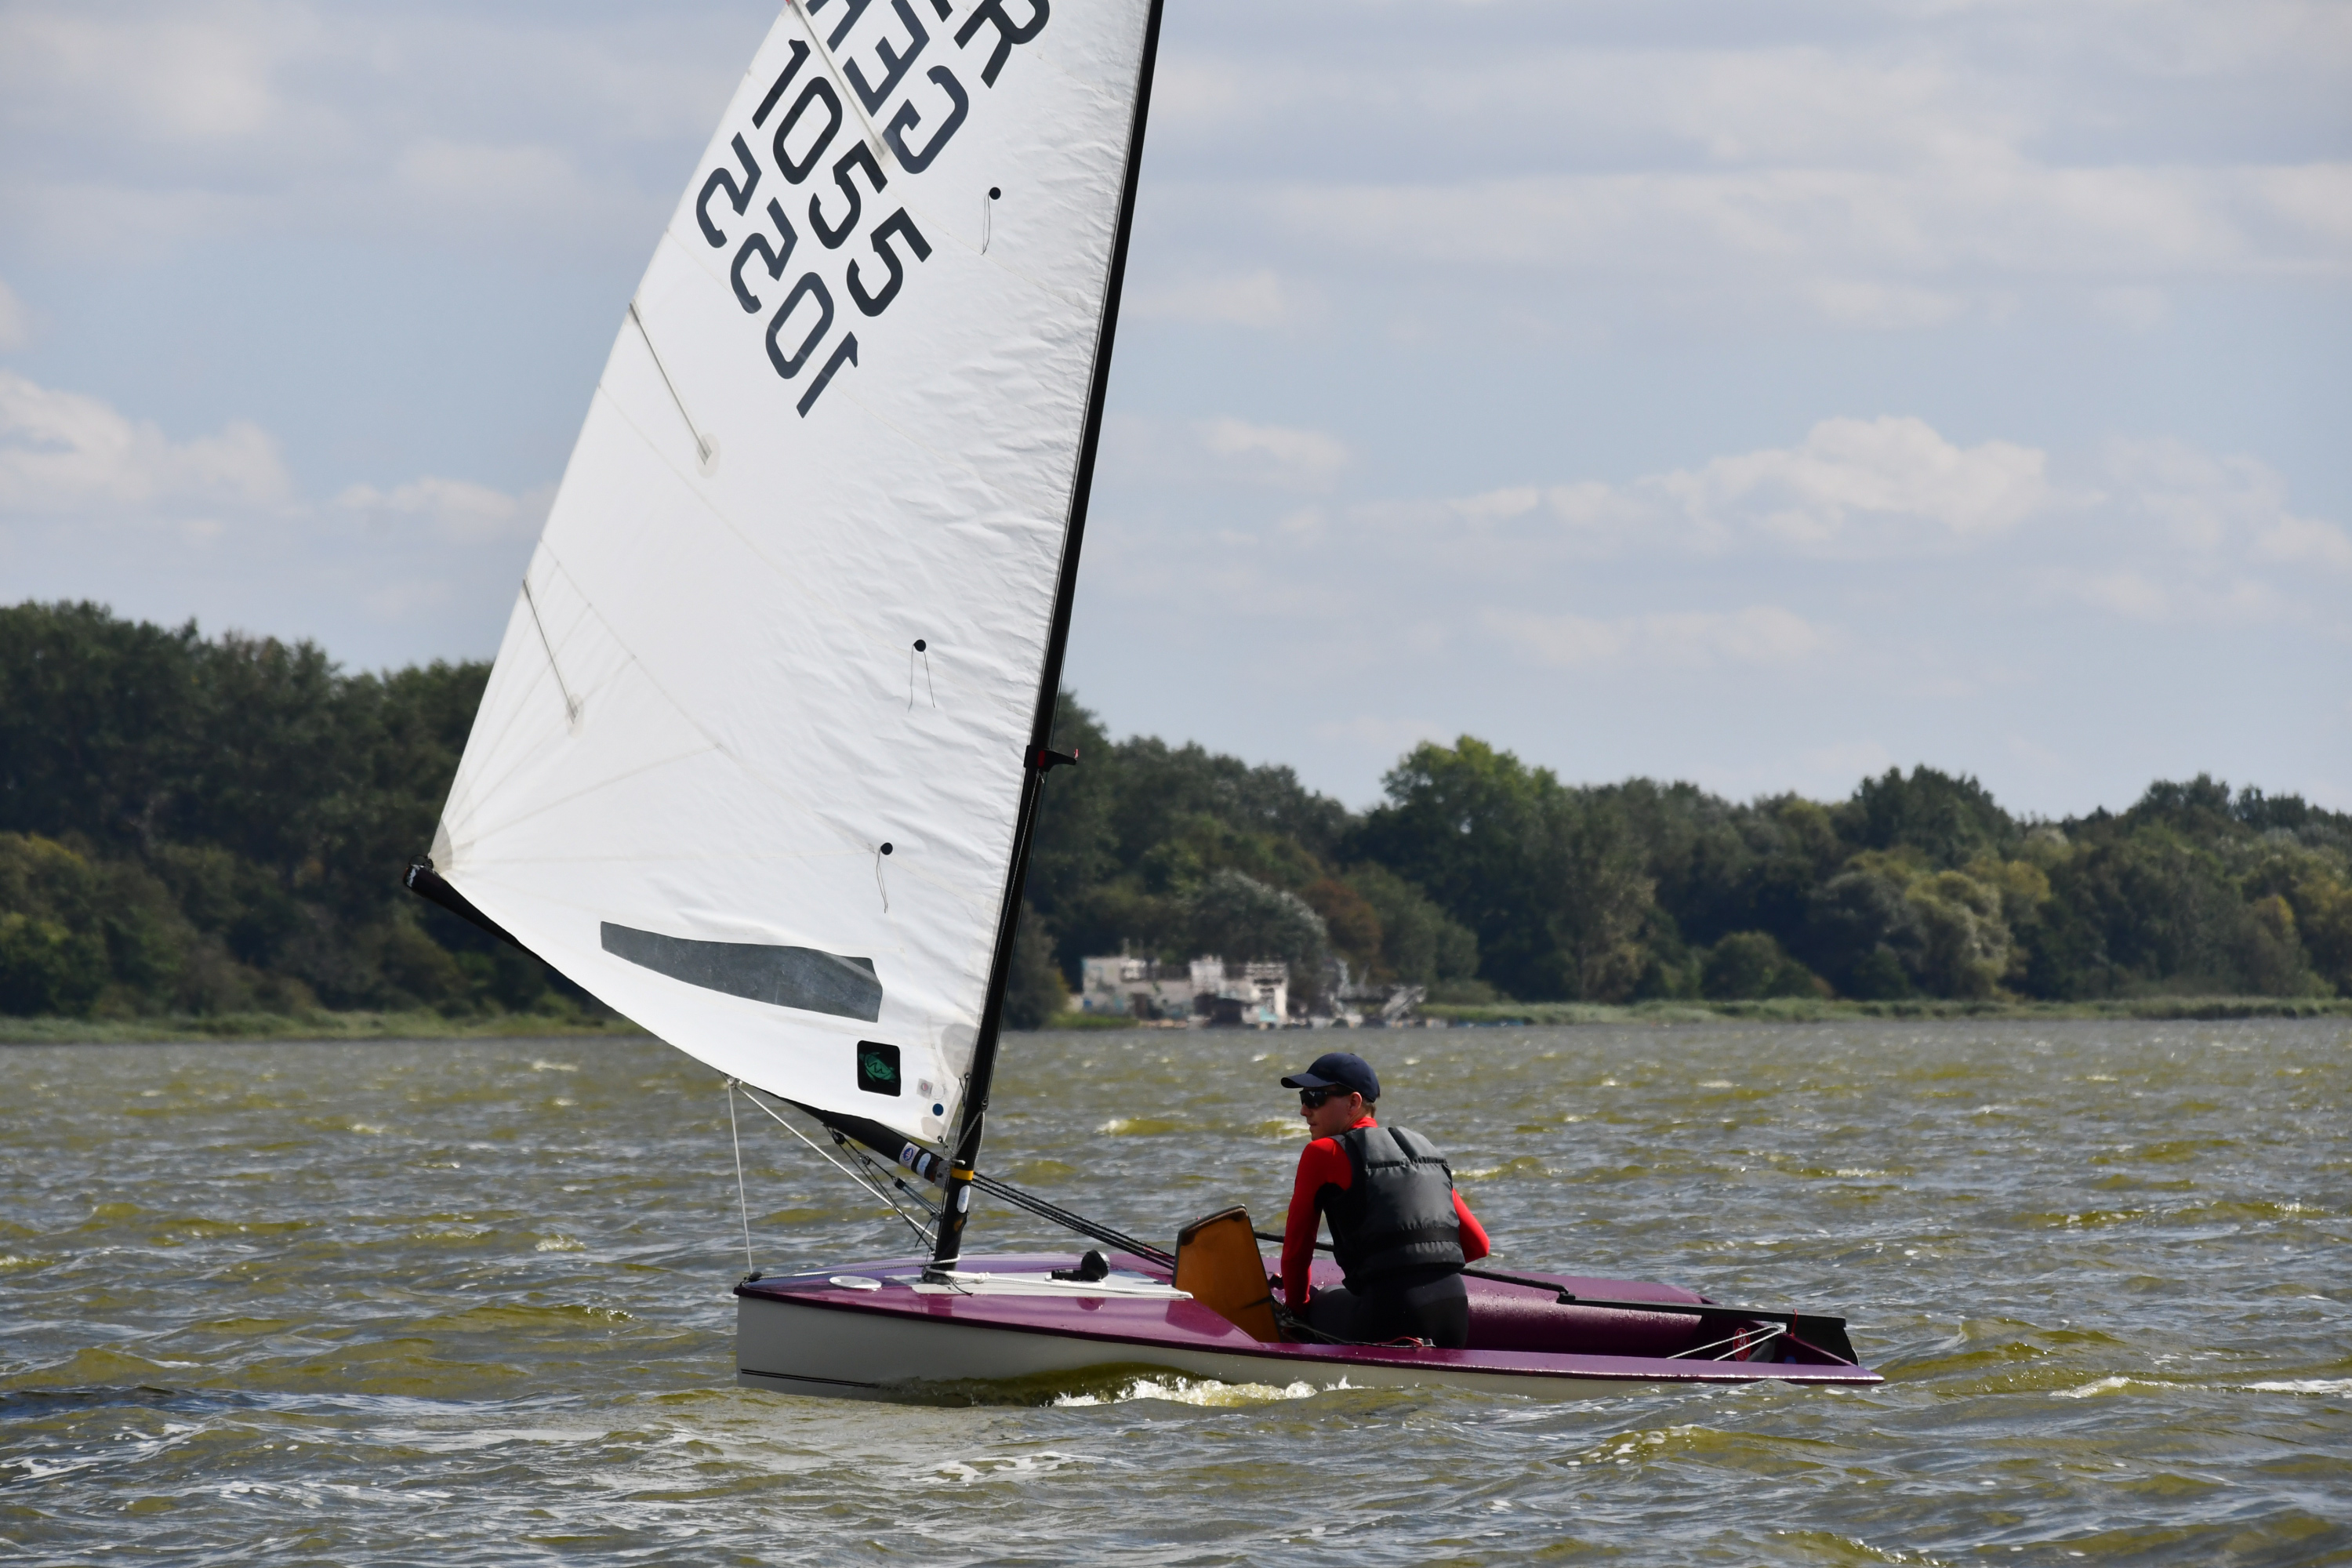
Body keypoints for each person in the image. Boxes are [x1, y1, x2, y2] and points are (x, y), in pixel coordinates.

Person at [1277, 1050, 1489, 1348]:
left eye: (1315, 1098)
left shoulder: (1322, 1153)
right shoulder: (1423, 1149)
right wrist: (1417, 1265)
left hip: (1387, 1316)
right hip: (1453, 1314)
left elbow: (1297, 1254)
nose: (1304, 1110)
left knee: (1325, 1297)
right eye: (1303, 1098)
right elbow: (1479, 1245)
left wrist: (1294, 1317)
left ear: (1354, 1103)